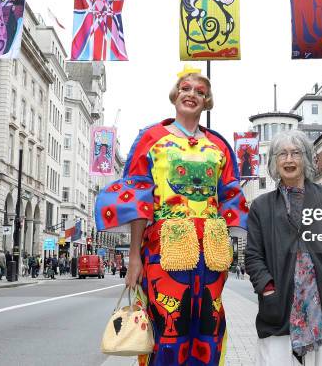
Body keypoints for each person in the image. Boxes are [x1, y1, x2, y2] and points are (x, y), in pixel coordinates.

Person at [95, 65, 248, 366]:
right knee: (167, 324)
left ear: (207, 101)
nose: (192, 95)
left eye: (200, 92)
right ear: (176, 94)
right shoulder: (150, 138)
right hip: (162, 250)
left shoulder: (219, 145)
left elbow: (230, 199)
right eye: (186, 88)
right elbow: (139, 199)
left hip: (211, 255)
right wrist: (134, 259)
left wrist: (228, 251)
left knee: (209, 324)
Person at [245, 130, 322, 365]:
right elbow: (253, 256)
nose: (289, 160)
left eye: (295, 153)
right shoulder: (261, 207)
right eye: (282, 154)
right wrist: (268, 289)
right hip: (280, 311)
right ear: (274, 161)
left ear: (305, 158)